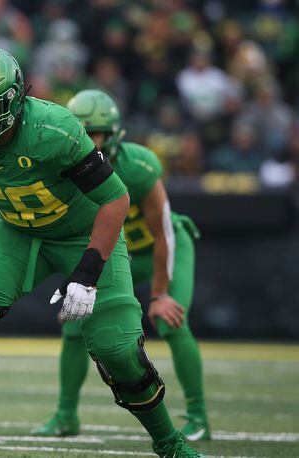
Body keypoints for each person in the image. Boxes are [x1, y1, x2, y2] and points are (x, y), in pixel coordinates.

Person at [0, 48, 202, 458]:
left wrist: (88, 272)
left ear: (14, 100)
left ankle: (169, 442)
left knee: (117, 349)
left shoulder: (53, 129)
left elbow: (116, 199)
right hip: (17, 230)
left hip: (80, 233)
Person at [33, 89, 209, 441]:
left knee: (171, 320)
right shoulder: (65, 167)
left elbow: (164, 234)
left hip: (159, 249)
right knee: (73, 324)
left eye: (96, 132)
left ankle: (198, 416)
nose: (89, 140)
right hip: (116, 255)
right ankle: (66, 415)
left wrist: (159, 294)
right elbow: (78, 235)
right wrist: (78, 282)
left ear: (114, 136)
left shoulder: (138, 167)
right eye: (83, 131)